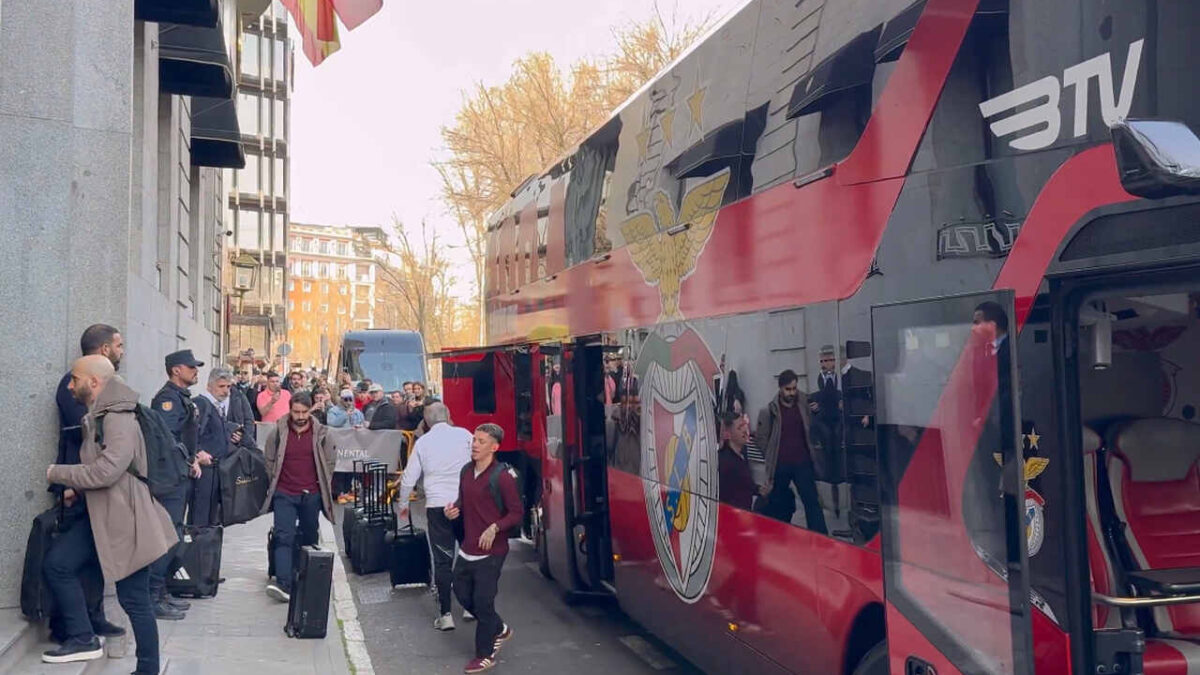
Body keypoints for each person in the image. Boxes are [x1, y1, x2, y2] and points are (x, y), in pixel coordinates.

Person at [45, 356, 177, 673]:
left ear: (94, 382)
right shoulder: (102, 415)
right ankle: (83, 637)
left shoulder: (118, 418)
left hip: (125, 521)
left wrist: (58, 473)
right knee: (58, 564)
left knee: (134, 599)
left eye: (75, 378)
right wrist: (79, 488)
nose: (70, 384)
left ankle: (147, 669)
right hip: (101, 515)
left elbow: (107, 471)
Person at [47, 325, 127, 649]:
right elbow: (79, 438)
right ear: (104, 349)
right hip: (80, 488)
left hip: (100, 490)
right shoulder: (75, 385)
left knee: (92, 559)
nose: (123, 350)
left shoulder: (114, 391)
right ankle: (76, 628)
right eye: (119, 345)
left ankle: (91, 618)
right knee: (64, 562)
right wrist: (66, 483)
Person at [444, 424, 520, 674]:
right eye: (474, 440)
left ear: (495, 447)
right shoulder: (466, 471)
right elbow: (464, 502)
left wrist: (495, 527)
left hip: (492, 551)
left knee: (482, 602)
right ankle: (499, 628)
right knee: (462, 594)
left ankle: (484, 654)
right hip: (467, 547)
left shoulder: (504, 477)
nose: (475, 445)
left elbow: (516, 513)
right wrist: (453, 510)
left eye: (481, 441)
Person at [396, 403, 473, 631]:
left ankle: (446, 614)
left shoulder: (423, 443)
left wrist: (403, 505)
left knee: (442, 560)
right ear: (449, 416)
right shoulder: (465, 435)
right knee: (469, 553)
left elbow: (409, 476)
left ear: (426, 422)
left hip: (437, 505)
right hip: (464, 502)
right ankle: (470, 606)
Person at [261, 392, 337, 602]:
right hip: (284, 493)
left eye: (304, 412)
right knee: (283, 537)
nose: (300, 416)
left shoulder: (322, 433)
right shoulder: (278, 431)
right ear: (290, 410)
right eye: (296, 412)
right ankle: (283, 584)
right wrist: (275, 484)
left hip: (311, 495)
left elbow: (330, 462)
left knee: (309, 537)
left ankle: (306, 579)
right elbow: (269, 460)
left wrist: (320, 485)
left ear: (311, 409)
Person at [150, 350, 205, 620]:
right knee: (166, 538)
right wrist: (187, 460)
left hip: (178, 475)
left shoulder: (181, 397)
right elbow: (167, 439)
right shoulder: (167, 400)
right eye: (191, 367)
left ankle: (161, 593)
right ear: (175, 370)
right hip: (169, 479)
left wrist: (193, 457)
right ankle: (152, 597)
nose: (196, 371)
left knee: (173, 535)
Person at [757, 369, 827, 534]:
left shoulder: (804, 402)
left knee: (812, 503)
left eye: (794, 388)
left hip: (802, 463)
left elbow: (815, 426)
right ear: (781, 388)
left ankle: (821, 539)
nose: (792, 392)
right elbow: (762, 439)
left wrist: (818, 412)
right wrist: (771, 455)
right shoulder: (770, 410)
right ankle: (777, 535)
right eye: (788, 389)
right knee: (777, 504)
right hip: (780, 465)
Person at [193, 368, 249, 527]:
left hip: (218, 468)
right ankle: (198, 549)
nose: (226, 391)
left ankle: (207, 549)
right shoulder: (202, 404)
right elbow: (194, 433)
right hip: (205, 470)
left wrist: (231, 434)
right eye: (221, 386)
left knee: (212, 517)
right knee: (201, 518)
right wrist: (198, 452)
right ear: (209, 386)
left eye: (229, 387)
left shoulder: (218, 405)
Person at [718, 412, 769, 511]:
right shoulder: (724, 460)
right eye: (739, 428)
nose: (745, 430)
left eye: (745, 425)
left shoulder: (743, 453)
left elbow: (745, 484)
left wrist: (759, 490)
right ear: (729, 434)